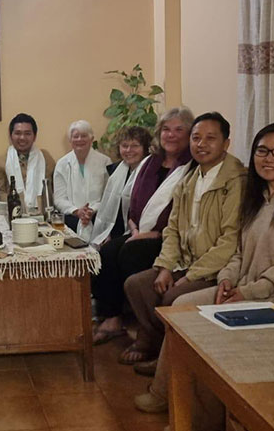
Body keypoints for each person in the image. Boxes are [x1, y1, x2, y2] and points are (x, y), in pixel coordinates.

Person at [133, 123, 274, 431]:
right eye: (262, 151)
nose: (269, 159)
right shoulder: (258, 196)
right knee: (182, 308)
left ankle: (202, 420)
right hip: (244, 288)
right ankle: (163, 393)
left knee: (209, 329)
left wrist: (249, 291)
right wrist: (228, 279)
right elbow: (238, 250)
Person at [123, 112, 246, 369]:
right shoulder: (189, 178)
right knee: (137, 285)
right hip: (183, 262)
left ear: (226, 143)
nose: (201, 144)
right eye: (196, 138)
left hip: (215, 269)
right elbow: (173, 229)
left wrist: (190, 276)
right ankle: (159, 344)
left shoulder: (236, 181)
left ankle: (168, 361)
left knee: (172, 297)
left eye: (210, 138)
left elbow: (230, 240)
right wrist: (166, 267)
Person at [97, 107, 194, 361]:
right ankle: (112, 318)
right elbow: (135, 201)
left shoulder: (190, 167)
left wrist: (152, 234)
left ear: (189, 134)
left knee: (130, 253)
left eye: (178, 129)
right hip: (139, 229)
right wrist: (135, 228)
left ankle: (145, 330)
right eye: (166, 129)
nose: (170, 135)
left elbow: (179, 213)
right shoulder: (150, 163)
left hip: (167, 237)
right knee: (106, 251)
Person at [88, 125, 153, 343]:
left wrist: (118, 235)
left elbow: (141, 209)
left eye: (135, 145)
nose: (129, 150)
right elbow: (112, 207)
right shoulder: (119, 170)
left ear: (145, 148)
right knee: (94, 250)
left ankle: (113, 319)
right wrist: (107, 232)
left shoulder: (148, 171)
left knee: (107, 253)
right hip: (120, 228)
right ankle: (104, 313)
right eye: (125, 145)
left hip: (142, 229)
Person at [53, 120, 110, 241]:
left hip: (97, 215)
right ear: (70, 140)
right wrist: (77, 211)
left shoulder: (105, 162)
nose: (79, 139)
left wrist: (91, 211)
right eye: (75, 136)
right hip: (71, 217)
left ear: (92, 139)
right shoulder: (62, 164)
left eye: (84, 136)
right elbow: (59, 198)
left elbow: (108, 196)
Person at [0, 113, 56, 211]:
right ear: (11, 136)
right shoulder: (0, 162)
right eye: (18, 133)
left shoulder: (45, 158)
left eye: (27, 133)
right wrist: (18, 208)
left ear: (34, 136)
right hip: (12, 214)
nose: (22, 137)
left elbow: (53, 189)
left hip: (43, 214)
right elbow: (0, 193)